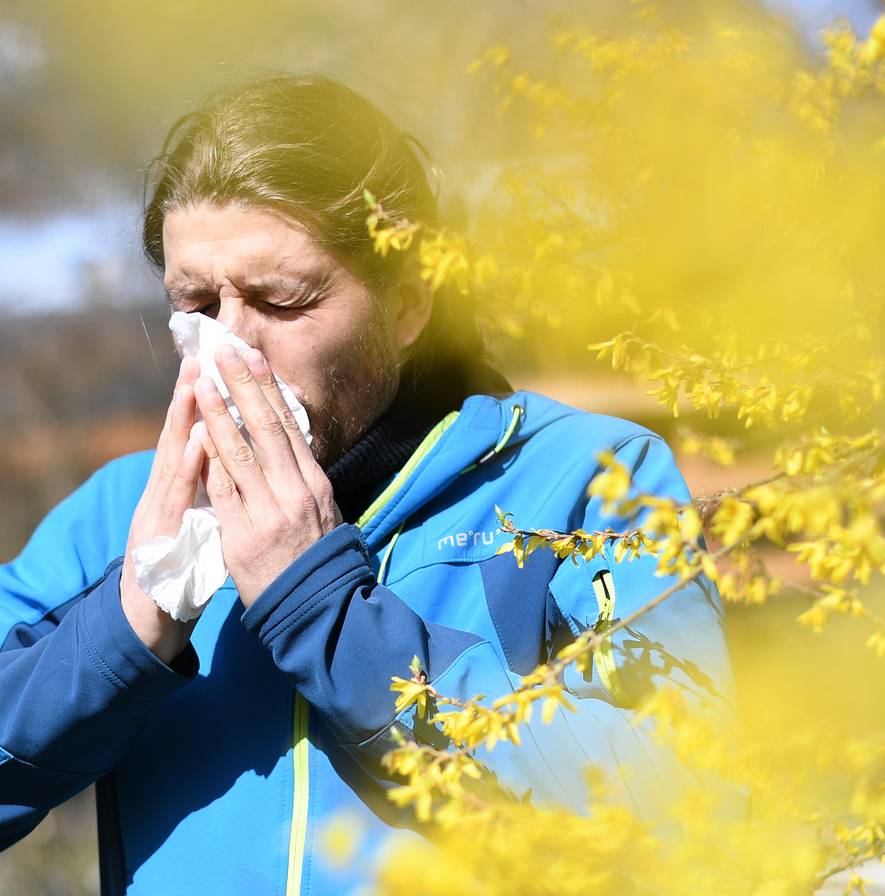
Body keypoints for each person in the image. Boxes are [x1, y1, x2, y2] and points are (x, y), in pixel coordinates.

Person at [0, 74, 732, 894]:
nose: (230, 348)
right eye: (196, 304)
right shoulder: (126, 513)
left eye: (281, 301)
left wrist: (330, 616)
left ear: (408, 306)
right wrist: (127, 624)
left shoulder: (585, 478)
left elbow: (682, 812)